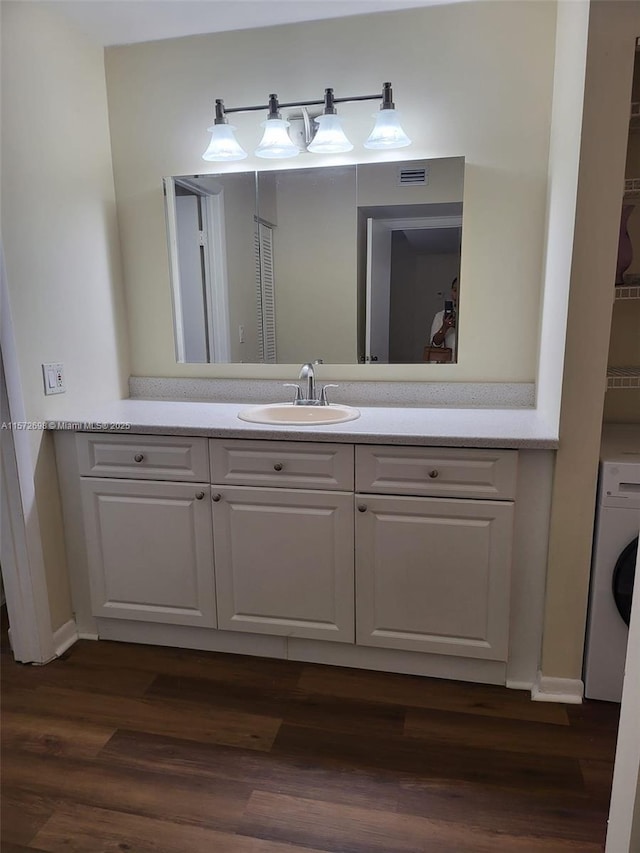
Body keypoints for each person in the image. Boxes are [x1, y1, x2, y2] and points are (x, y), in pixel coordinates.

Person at [429, 277, 458, 355]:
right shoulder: (440, 316)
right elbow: (434, 345)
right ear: (452, 292)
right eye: (455, 290)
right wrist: (444, 328)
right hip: (448, 364)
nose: (457, 294)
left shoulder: (473, 317)